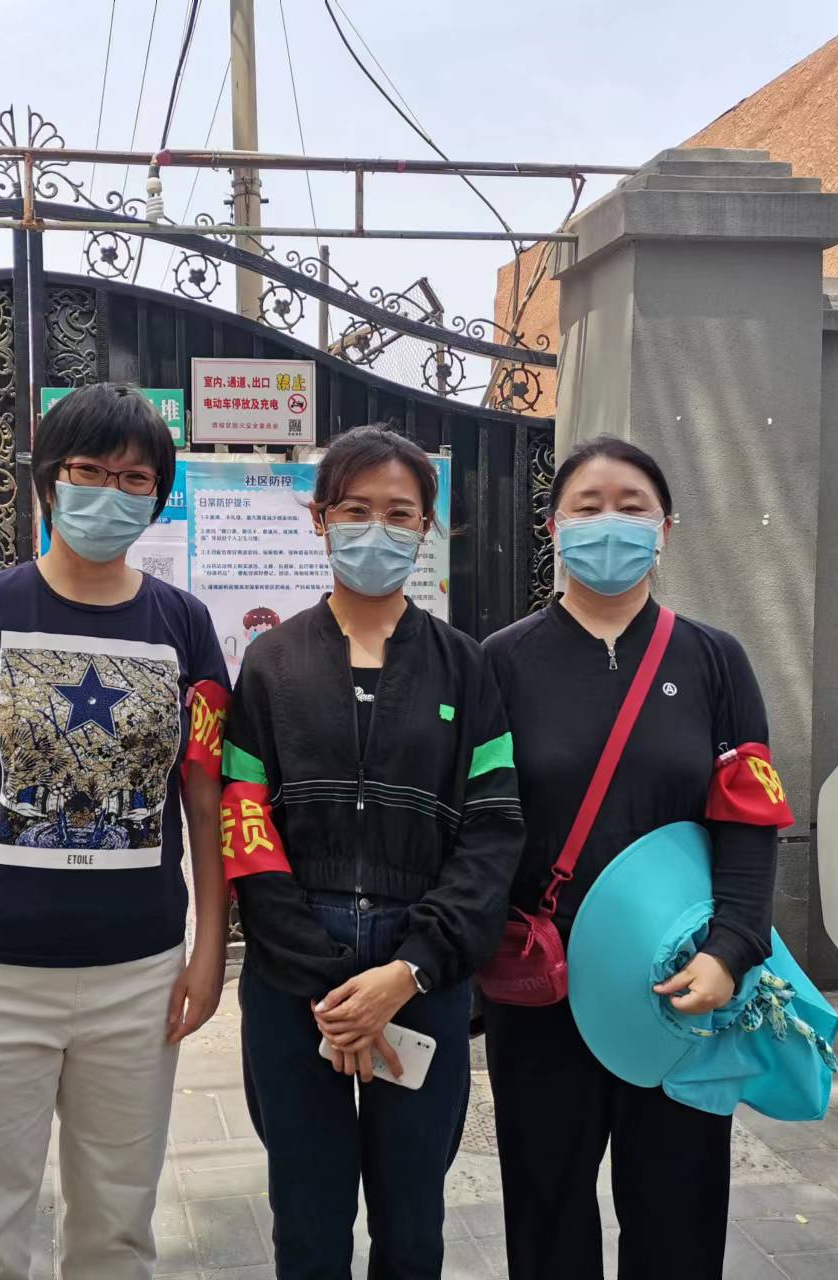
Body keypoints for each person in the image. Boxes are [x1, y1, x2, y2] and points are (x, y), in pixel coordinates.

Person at [0, 383, 232, 1280]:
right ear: (48, 480)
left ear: (158, 497)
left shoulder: (185, 625)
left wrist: (207, 954)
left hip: (138, 976)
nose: (111, 493)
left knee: (118, 1228)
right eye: (89, 471)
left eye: (135, 478)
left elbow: (204, 804)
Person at [481, 436, 789, 1279]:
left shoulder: (714, 659)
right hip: (546, 991)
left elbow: (750, 819)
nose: (609, 523)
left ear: (666, 529)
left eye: (632, 507)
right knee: (546, 1210)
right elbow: (481, 826)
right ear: (554, 528)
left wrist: (732, 950)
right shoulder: (502, 661)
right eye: (587, 507)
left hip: (684, 991)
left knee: (678, 1211)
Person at [223, 424, 524, 1279]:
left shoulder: (465, 668)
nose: (376, 530)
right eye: (355, 510)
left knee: (413, 1222)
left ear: (427, 526)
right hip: (294, 984)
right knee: (308, 1224)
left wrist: (410, 970)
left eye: (399, 513)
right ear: (320, 518)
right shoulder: (272, 665)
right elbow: (244, 823)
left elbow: (493, 828)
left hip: (421, 974)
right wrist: (328, 986)